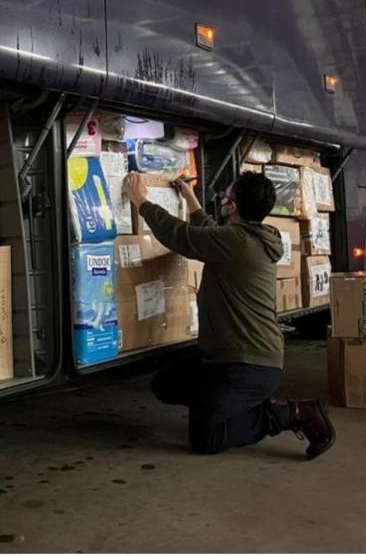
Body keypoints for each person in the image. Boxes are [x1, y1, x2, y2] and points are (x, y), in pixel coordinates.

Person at [124, 172, 335, 459]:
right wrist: (191, 200)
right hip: (231, 357)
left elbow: (181, 236)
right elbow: (211, 233)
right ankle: (221, 404)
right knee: (166, 383)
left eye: (227, 197)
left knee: (207, 439)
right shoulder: (250, 238)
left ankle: (292, 413)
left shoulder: (236, 242)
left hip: (248, 363)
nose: (223, 200)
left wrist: (140, 200)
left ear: (232, 206)